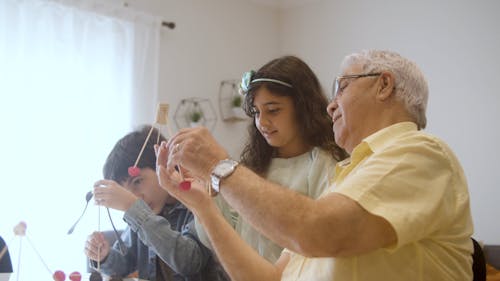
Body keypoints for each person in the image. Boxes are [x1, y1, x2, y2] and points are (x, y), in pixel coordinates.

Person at [156, 50, 474, 281]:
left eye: (342, 87)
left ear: (384, 85)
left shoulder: (419, 151)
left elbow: (318, 231)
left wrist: (218, 166)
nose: (331, 104)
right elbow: (269, 278)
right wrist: (203, 207)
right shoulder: (347, 179)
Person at [195, 55, 346, 263]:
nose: (262, 122)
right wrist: (205, 192)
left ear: (303, 107)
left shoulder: (322, 163)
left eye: (273, 110)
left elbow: (325, 243)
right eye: (256, 112)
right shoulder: (252, 167)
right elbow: (220, 238)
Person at [85, 125, 228, 281]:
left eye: (138, 181)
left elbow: (189, 261)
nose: (135, 197)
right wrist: (105, 255)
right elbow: (125, 263)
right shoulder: (144, 212)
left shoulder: (197, 203)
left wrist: (134, 209)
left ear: (163, 165)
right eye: (126, 192)